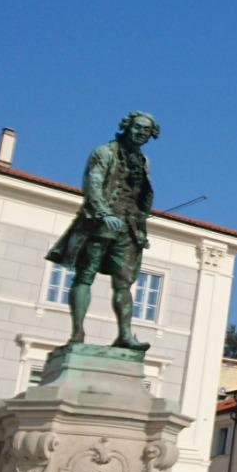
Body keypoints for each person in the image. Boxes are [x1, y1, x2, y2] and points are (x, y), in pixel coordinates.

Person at [46, 111, 161, 351]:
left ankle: (125, 335)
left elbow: (140, 194)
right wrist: (103, 212)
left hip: (129, 228)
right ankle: (77, 333)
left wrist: (141, 215)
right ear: (126, 127)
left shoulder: (144, 161)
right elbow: (93, 183)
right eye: (137, 127)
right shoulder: (104, 152)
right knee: (85, 276)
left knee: (124, 283)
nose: (141, 133)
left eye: (146, 130)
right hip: (99, 224)